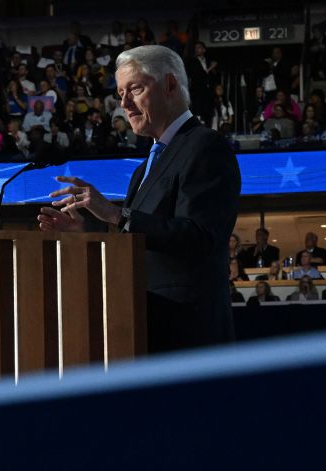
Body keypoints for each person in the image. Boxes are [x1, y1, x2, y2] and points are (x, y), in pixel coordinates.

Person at [37, 45, 241, 351]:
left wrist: (116, 215)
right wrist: (84, 235)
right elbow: (135, 246)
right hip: (142, 329)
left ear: (170, 85)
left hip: (190, 335)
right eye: (120, 93)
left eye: (134, 88)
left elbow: (201, 236)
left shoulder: (205, 146)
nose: (124, 103)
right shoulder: (144, 168)